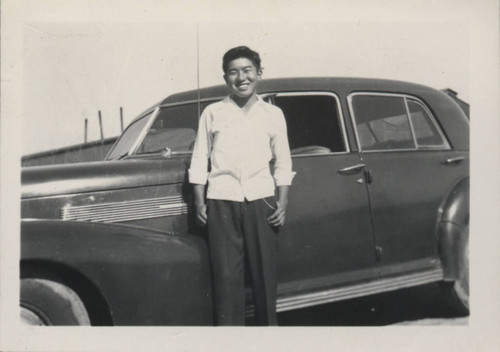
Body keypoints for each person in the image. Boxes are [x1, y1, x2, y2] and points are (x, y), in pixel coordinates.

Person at [189, 46, 295, 326]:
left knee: (264, 279)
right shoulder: (212, 113)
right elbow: (200, 159)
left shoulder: (273, 114)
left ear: (259, 73)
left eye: (247, 70)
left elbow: (283, 163)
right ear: (226, 78)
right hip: (221, 201)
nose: (241, 78)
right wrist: (200, 201)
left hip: (261, 201)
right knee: (226, 282)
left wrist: (282, 203)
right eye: (233, 72)